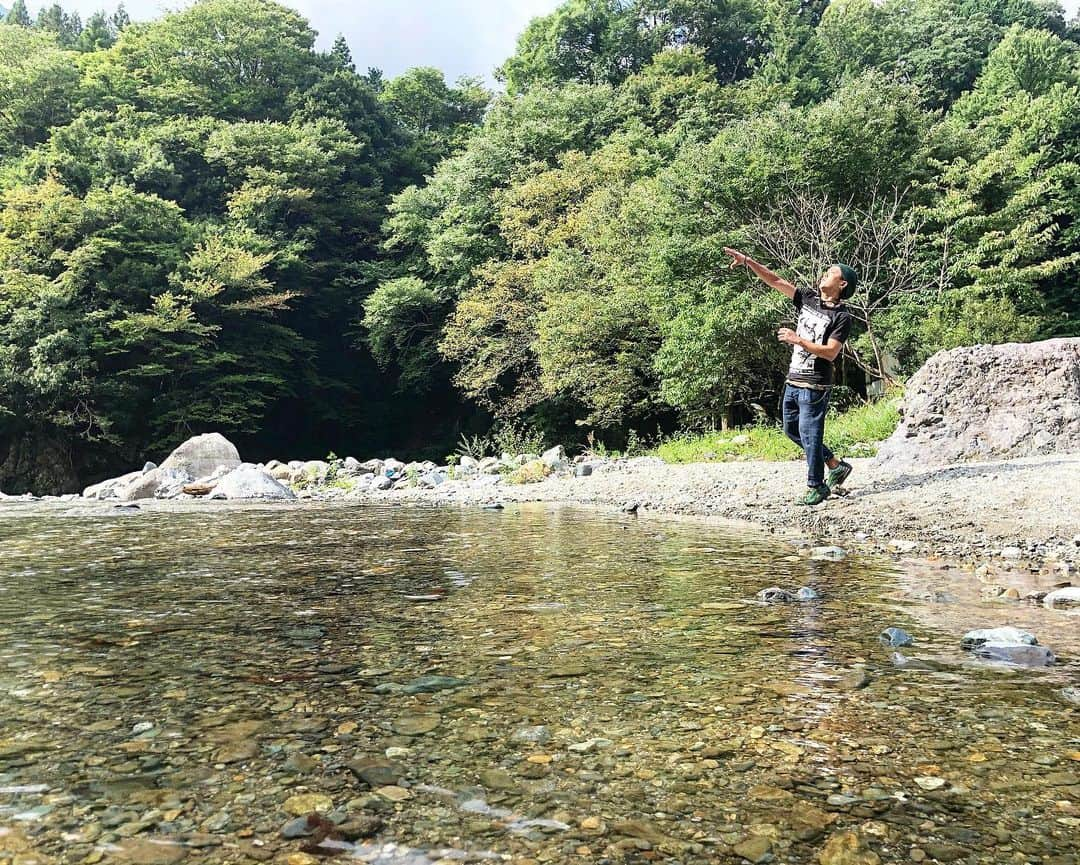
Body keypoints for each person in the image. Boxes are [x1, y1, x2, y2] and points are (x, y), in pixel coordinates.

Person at [722, 247, 856, 506]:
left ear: (842, 284)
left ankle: (816, 486)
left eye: (830, 273)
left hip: (815, 385)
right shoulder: (808, 298)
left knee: (810, 433)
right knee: (791, 430)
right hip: (793, 380)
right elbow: (775, 280)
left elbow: (830, 353)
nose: (824, 275)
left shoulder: (841, 317)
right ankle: (835, 465)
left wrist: (799, 340)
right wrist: (749, 262)